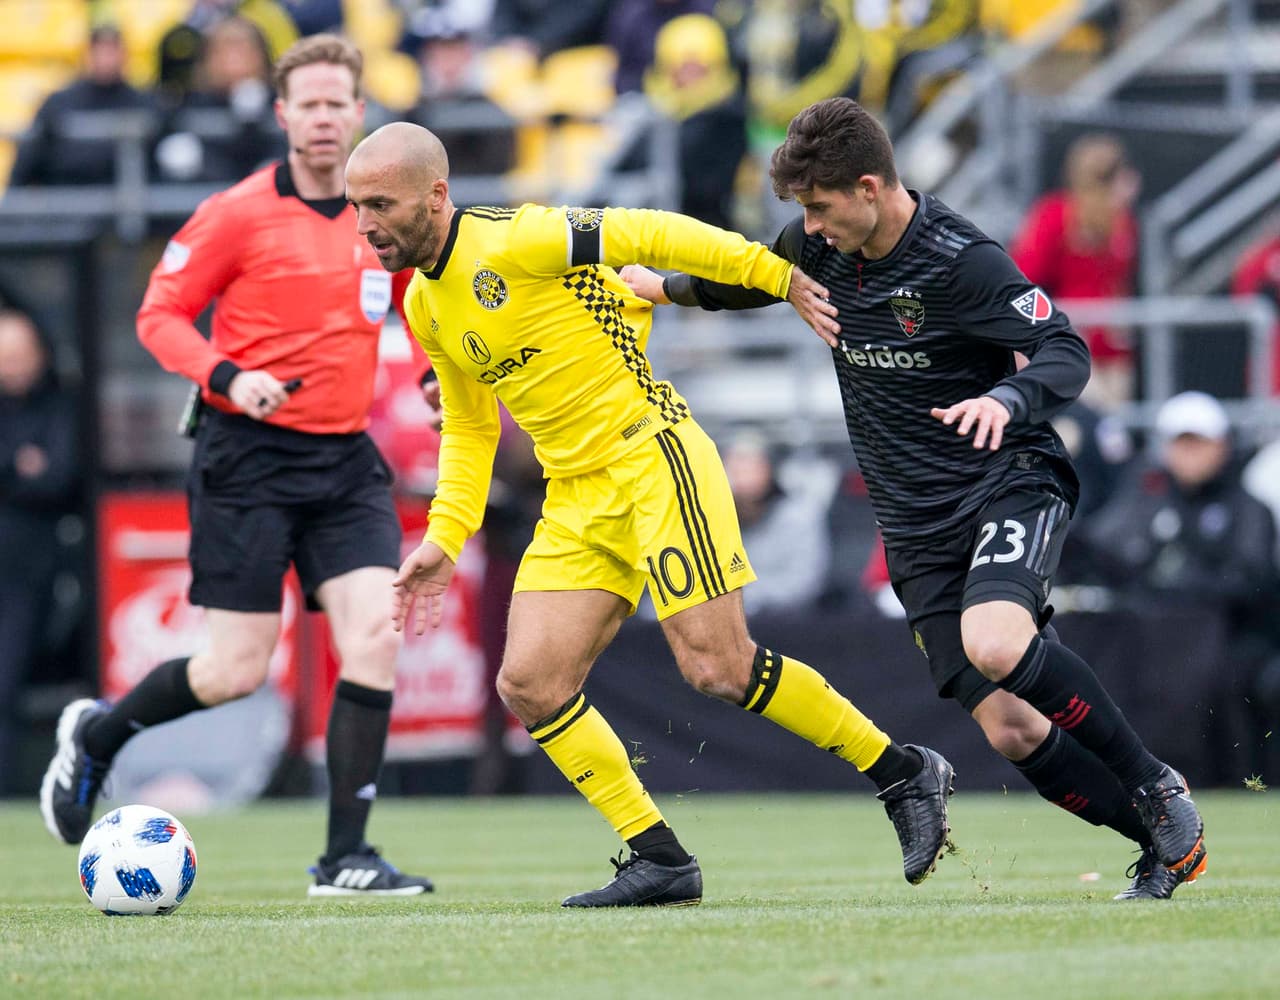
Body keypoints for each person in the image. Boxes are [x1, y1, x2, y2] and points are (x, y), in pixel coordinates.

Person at [345, 120, 956, 907]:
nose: (366, 225)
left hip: (652, 454)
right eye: (357, 208)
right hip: (575, 495)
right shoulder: (427, 303)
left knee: (718, 668)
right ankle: (660, 857)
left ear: (436, 194)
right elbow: (468, 426)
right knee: (530, 682)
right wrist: (445, 535)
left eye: (381, 205)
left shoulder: (519, 237)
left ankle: (903, 772)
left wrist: (774, 275)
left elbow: (652, 231)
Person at [623, 96, 1207, 901]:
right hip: (913, 522)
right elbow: (753, 279)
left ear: (869, 187)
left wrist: (1007, 399)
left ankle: (1156, 785)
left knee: (997, 644)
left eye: (821, 208)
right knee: (1012, 729)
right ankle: (1163, 847)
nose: (810, 228)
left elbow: (1063, 346)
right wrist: (662, 287)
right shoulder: (818, 246)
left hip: (1005, 481)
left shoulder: (960, 259)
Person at [39, 34, 431, 898]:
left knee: (375, 634)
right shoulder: (239, 212)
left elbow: (418, 304)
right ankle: (99, 735)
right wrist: (227, 376)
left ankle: (345, 858)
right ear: (283, 114)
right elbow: (159, 313)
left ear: (360, 113)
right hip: (247, 460)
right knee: (234, 671)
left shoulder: (380, 218)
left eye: (337, 103)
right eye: (309, 104)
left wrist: (437, 375)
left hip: (345, 461)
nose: (324, 118)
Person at [1084, 392, 1280, 783]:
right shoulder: (1147, 498)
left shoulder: (1246, 507)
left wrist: (1180, 583)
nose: (1189, 455)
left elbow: (1253, 580)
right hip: (1153, 640)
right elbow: (1105, 548)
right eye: (1181, 444)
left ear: (1221, 446)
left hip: (1235, 638)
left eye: (1198, 444)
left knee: (1226, 678)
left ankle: (1232, 780)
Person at [0, 308, 81, 795]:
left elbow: (59, 477)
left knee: (6, 682)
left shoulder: (60, 405)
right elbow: (32, 471)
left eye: (18, 355)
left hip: (26, 571)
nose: (11, 366)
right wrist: (17, 463)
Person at [1009, 133, 1140, 409]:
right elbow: (1022, 277)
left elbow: (1116, 282)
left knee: (1114, 424)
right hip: (1072, 340)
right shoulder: (1056, 214)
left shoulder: (1123, 222)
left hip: (1113, 347)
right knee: (1083, 419)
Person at [8, 23, 156, 189]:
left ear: (124, 55)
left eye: (112, 51)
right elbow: (27, 160)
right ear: (87, 55)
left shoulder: (145, 104)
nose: (106, 58)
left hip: (127, 199)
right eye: (99, 50)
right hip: (65, 197)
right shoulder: (58, 103)